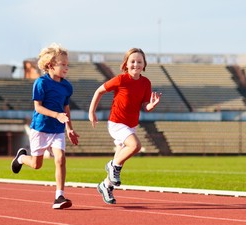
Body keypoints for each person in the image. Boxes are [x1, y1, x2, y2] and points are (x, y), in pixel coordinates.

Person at [89, 47, 162, 204]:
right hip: (116, 123)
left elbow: (145, 107)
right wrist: (91, 112)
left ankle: (105, 186)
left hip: (131, 125)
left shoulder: (145, 83)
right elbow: (99, 91)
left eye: (139, 61)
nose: (136, 64)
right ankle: (112, 165)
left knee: (120, 160)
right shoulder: (121, 80)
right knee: (135, 146)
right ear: (126, 64)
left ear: (144, 64)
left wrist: (152, 105)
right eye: (133, 61)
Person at [11, 43, 79, 209]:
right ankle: (21, 158)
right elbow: (38, 107)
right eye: (62, 64)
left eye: (67, 64)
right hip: (40, 128)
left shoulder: (67, 86)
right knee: (36, 165)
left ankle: (59, 196)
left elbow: (66, 108)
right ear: (50, 65)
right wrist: (56, 115)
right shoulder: (41, 83)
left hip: (57, 130)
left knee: (61, 159)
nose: (66, 67)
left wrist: (69, 128)